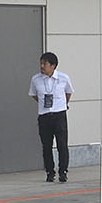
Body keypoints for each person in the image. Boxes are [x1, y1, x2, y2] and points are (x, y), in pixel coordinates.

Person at [30, 51, 73, 182]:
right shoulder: (35, 79)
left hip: (59, 115)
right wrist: (43, 104)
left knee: (62, 144)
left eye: (45, 64)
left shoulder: (63, 78)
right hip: (44, 116)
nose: (42, 66)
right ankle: (50, 172)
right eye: (41, 63)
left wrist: (61, 105)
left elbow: (69, 93)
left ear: (53, 66)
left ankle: (63, 171)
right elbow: (33, 94)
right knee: (46, 146)